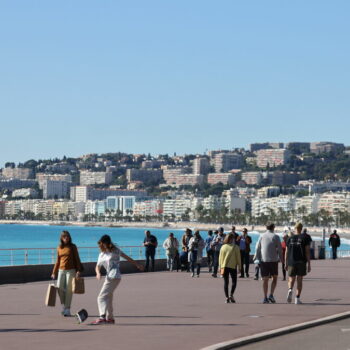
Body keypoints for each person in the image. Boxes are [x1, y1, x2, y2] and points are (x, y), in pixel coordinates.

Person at [92, 235, 144, 325]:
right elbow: (97, 266)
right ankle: (110, 318)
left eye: (102, 244)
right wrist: (98, 273)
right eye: (100, 244)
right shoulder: (102, 254)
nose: (101, 246)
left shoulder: (115, 250)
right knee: (108, 298)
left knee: (101, 297)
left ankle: (102, 317)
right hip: (109, 277)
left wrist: (137, 265)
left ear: (106, 243)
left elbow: (127, 257)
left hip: (115, 276)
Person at [51, 230, 84, 317]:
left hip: (71, 270)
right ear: (61, 238)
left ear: (69, 237)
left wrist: (78, 270)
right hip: (61, 270)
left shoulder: (73, 247)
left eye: (67, 236)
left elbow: (77, 259)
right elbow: (57, 261)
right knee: (59, 288)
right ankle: (63, 306)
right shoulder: (59, 247)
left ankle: (67, 309)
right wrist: (54, 272)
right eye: (64, 236)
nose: (66, 238)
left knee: (69, 290)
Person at [253, 223, 282, 304]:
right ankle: (271, 295)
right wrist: (282, 260)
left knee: (265, 280)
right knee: (274, 278)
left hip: (264, 260)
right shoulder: (276, 236)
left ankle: (265, 297)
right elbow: (280, 249)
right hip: (273, 260)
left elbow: (257, 248)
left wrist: (257, 258)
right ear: (273, 227)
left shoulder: (261, 236)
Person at [285, 223, 311, 305]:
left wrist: (285, 263)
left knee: (291, 279)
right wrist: (309, 263)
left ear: (295, 228)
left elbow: (286, 251)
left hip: (291, 262)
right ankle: (297, 298)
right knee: (299, 280)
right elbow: (307, 252)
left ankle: (290, 289)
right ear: (301, 228)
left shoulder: (290, 238)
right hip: (301, 262)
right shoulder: (304, 238)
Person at [219, 233, 241, 303]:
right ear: (232, 239)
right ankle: (231, 295)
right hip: (232, 266)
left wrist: (220, 267)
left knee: (226, 282)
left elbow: (220, 258)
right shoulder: (236, 247)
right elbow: (238, 258)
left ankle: (226, 297)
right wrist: (240, 267)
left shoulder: (223, 247)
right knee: (234, 282)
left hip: (224, 266)